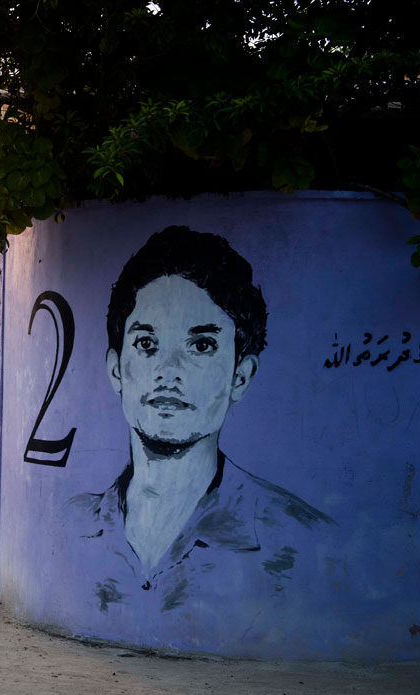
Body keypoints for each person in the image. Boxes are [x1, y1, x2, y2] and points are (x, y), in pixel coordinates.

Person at [65, 226, 334, 613]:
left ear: (240, 376)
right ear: (116, 371)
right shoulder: (71, 524)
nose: (168, 370)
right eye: (146, 343)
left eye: (202, 345)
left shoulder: (304, 540)